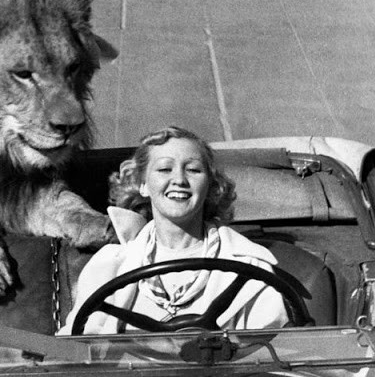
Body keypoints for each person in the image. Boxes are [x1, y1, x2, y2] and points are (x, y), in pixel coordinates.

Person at [58, 126, 289, 334]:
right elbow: (76, 348)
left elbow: (275, 349)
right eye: (164, 169)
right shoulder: (109, 266)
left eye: (193, 170)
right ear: (142, 184)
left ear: (210, 185)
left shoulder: (250, 265)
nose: (179, 179)